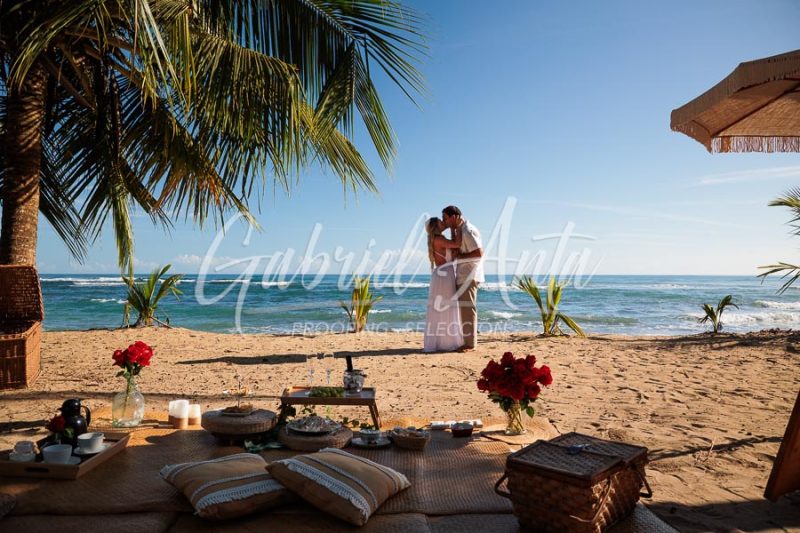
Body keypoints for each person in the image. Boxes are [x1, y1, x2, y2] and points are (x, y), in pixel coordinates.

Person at [441, 205, 484, 351]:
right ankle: (467, 340)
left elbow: (479, 253)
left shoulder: (467, 230)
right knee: (464, 308)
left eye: (445, 218)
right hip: (463, 274)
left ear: (454, 217)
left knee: (468, 308)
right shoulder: (460, 230)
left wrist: (460, 257)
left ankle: (470, 344)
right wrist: (453, 230)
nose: (444, 221)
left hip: (469, 275)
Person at [422, 217, 464, 352]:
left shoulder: (439, 239)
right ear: (436, 226)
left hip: (442, 274)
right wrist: (456, 227)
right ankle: (446, 342)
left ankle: (441, 342)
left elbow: (454, 248)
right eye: (441, 221)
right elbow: (457, 244)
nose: (443, 222)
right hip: (445, 274)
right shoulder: (439, 239)